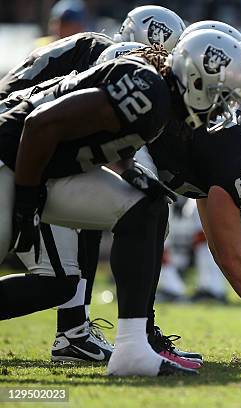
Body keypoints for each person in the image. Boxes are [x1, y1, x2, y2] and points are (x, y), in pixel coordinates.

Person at [0, 29, 241, 377]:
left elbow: (98, 137)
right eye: (219, 96)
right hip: (11, 157)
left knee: (145, 207)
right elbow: (40, 124)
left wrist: (130, 171)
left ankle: (133, 348)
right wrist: (26, 203)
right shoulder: (148, 89)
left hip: (38, 170)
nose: (219, 108)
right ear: (195, 79)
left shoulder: (160, 101)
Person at [0, 5, 186, 364]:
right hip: (18, 152)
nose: (157, 66)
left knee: (60, 275)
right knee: (58, 267)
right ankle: (74, 331)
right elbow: (47, 124)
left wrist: (127, 167)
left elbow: (91, 134)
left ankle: (78, 332)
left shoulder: (118, 69)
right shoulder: (110, 62)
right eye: (152, 55)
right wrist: (26, 201)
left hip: (34, 156)